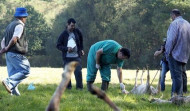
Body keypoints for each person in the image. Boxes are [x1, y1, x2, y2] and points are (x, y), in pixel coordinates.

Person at [0, 7, 30, 96]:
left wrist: (4, 49)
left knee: (14, 74)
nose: (25, 19)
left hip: (8, 54)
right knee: (25, 70)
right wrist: (8, 47)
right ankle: (8, 82)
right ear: (23, 17)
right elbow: (14, 39)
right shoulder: (20, 25)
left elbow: (3, 40)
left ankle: (15, 96)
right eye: (25, 17)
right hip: (16, 53)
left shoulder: (10, 26)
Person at [165, 9, 190, 97]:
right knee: (182, 75)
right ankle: (182, 95)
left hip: (175, 54)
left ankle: (176, 97)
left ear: (173, 15)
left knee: (176, 76)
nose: (171, 18)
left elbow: (171, 40)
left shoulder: (174, 23)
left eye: (171, 16)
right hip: (185, 54)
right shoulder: (187, 24)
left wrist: (167, 52)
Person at [56, 18, 84, 90]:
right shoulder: (63, 35)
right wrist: (66, 49)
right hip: (67, 57)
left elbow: (81, 41)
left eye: (74, 26)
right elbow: (58, 45)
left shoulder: (77, 32)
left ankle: (79, 88)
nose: (73, 27)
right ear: (67, 25)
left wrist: (81, 49)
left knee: (78, 71)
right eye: (71, 26)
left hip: (76, 56)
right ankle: (68, 87)